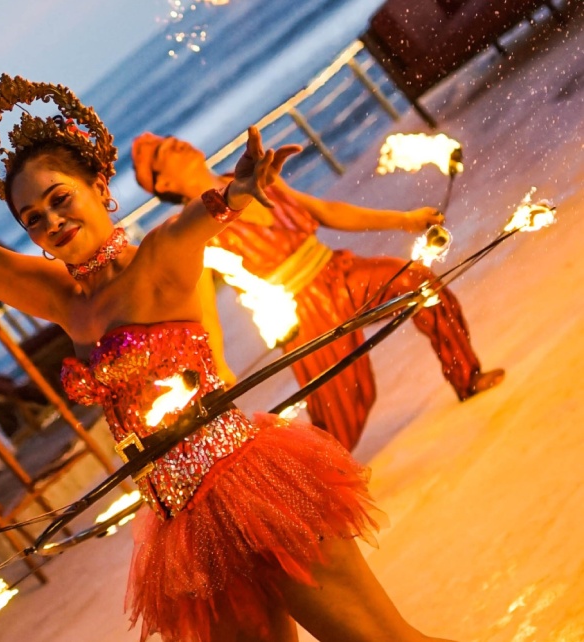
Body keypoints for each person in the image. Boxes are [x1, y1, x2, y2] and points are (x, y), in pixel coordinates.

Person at [0, 75, 455, 641]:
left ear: (100, 187)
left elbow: (198, 218)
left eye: (60, 200)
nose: (51, 222)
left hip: (255, 489)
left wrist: (237, 192)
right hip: (184, 526)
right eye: (33, 218)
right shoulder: (59, 296)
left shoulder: (157, 259)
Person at [132, 133, 504, 450]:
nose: (176, 143)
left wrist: (404, 220)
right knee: (343, 417)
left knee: (418, 283)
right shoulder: (191, 228)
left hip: (337, 270)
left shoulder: (249, 177)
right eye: (163, 151)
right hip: (304, 314)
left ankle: (468, 377)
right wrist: (220, 371)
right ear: (161, 184)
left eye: (171, 139)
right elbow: (205, 309)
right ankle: (319, 480)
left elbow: (325, 210)